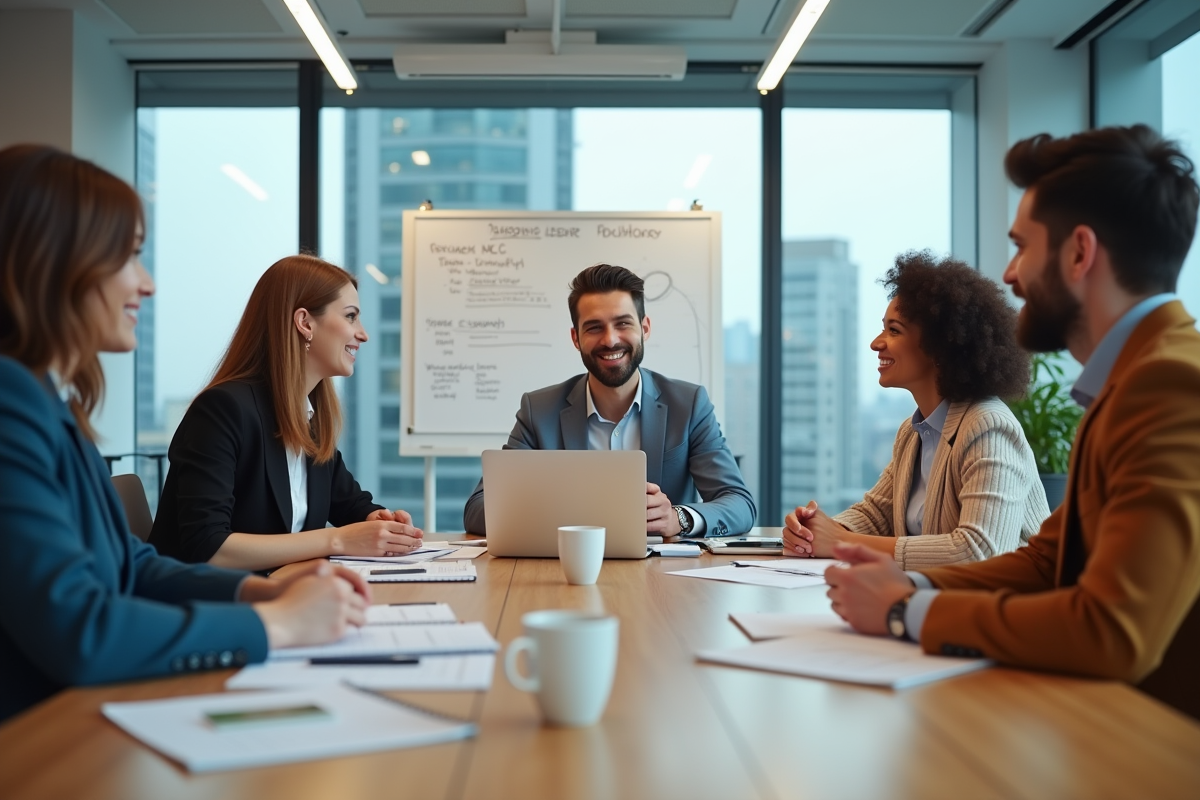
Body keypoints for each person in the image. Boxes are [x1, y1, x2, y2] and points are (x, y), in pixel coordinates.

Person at [824, 125, 1200, 720]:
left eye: (1022, 246)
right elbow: (1045, 562)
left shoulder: (1171, 385)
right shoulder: (1132, 378)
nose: (1008, 274)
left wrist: (905, 613)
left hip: (1153, 745)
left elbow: (1113, 630)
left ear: (1079, 253)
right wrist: (911, 587)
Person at [0, 145, 369, 722]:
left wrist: (256, 593)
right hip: (40, 734)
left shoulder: (48, 401)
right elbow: (81, 628)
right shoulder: (10, 401)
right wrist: (275, 623)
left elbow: (131, 565)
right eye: (128, 256)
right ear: (55, 264)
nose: (145, 283)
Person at [149, 255, 424, 571]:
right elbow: (208, 546)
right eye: (351, 317)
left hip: (283, 599)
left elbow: (350, 503)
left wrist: (377, 520)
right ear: (305, 323)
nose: (363, 334)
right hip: (208, 606)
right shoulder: (223, 411)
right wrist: (338, 540)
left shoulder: (308, 418)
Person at [783, 252, 1050, 568]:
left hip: (1009, 611)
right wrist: (813, 532)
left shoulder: (988, 427)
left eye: (893, 330)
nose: (876, 343)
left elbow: (980, 552)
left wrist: (841, 542)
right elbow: (876, 513)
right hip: (940, 604)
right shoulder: (913, 433)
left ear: (940, 346)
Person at [462, 264, 756, 537]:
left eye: (623, 323)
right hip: (564, 574)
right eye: (594, 328)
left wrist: (678, 518)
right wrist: (564, 513)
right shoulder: (538, 411)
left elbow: (739, 504)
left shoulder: (689, 405)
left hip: (663, 581)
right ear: (576, 338)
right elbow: (478, 509)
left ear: (645, 328)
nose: (610, 339)